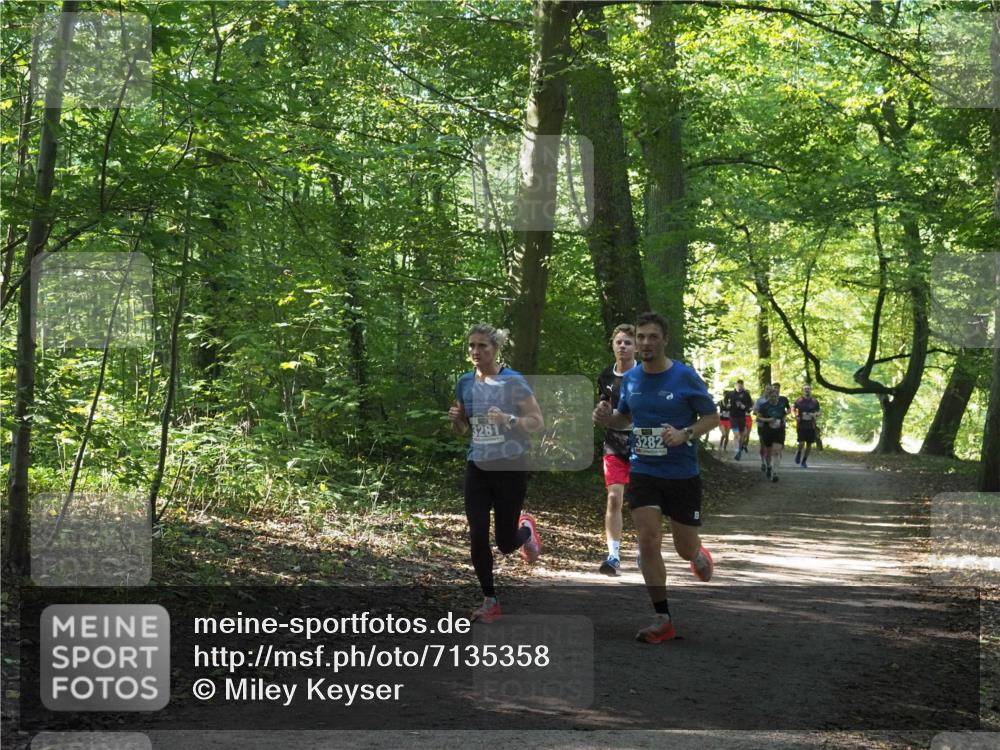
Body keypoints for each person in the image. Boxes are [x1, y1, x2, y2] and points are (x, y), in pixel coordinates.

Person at [593, 312, 719, 644]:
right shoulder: (631, 379)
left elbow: (711, 417)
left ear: (664, 340)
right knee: (648, 540)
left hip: (681, 473)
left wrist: (685, 433)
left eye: (652, 337)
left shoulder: (684, 376)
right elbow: (624, 420)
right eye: (641, 337)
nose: (646, 343)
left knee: (683, 547)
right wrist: (607, 418)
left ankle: (696, 553)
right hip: (644, 469)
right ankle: (663, 617)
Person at [449, 324, 544, 624]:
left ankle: (526, 530)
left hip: (510, 468)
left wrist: (509, 418)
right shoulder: (465, 382)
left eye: (482, 347)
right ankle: (490, 599)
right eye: (471, 346)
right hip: (477, 466)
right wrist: (456, 420)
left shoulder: (513, 381)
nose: (476, 352)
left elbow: (537, 421)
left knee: (504, 543)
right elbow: (465, 429)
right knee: (477, 534)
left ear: (496, 348)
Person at [596, 324, 638, 576]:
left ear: (636, 347)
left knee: (642, 501)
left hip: (643, 444)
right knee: (614, 498)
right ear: (612, 344)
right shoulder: (605, 375)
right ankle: (613, 555)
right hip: (614, 443)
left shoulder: (644, 374)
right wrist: (600, 413)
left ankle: (645, 550)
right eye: (619, 341)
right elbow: (604, 407)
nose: (623, 346)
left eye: (628, 342)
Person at [756, 385, 788, 482]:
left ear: (778, 396)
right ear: (769, 396)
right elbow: (758, 418)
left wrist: (784, 420)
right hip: (767, 431)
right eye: (772, 396)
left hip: (779, 431)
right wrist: (768, 420)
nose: (774, 398)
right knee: (768, 452)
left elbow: (784, 416)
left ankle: (775, 473)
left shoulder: (781, 406)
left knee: (776, 451)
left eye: (775, 396)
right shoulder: (763, 406)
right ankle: (769, 466)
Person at [793, 383, 821, 468]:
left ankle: (804, 461)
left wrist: (815, 415)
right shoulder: (798, 400)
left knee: (809, 444)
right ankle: (798, 452)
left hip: (811, 425)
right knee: (801, 442)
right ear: (802, 390)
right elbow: (793, 410)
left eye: (808, 388)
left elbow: (819, 412)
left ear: (810, 390)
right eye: (805, 388)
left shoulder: (814, 401)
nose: (807, 390)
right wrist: (796, 417)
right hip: (801, 424)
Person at [724, 380, 753, 460]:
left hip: (742, 417)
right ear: (735, 385)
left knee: (742, 435)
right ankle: (737, 451)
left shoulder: (746, 394)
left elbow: (750, 405)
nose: (739, 387)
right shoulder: (730, 394)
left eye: (741, 385)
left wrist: (744, 407)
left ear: (743, 385)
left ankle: (739, 450)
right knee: (736, 434)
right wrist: (727, 405)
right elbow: (725, 400)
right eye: (738, 385)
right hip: (733, 417)